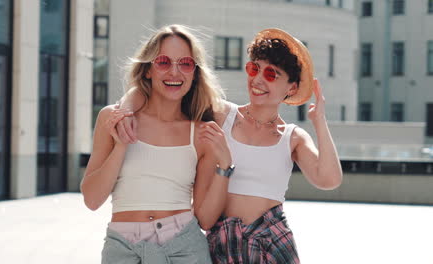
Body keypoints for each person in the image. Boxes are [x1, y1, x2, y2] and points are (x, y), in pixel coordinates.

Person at [111, 28, 343, 263]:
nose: (258, 80)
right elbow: (158, 89)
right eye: (254, 69)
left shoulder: (292, 137)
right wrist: (127, 108)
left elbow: (329, 180)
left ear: (291, 87)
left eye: (271, 74)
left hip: (271, 244)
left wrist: (320, 122)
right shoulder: (222, 115)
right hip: (223, 242)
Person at [80, 24, 234, 264]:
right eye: (163, 62)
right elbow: (92, 200)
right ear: (148, 70)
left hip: (184, 248)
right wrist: (121, 146)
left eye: (185, 64)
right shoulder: (113, 118)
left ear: (195, 73)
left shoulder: (200, 132)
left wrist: (225, 165)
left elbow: (205, 219)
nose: (175, 72)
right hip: (123, 249)